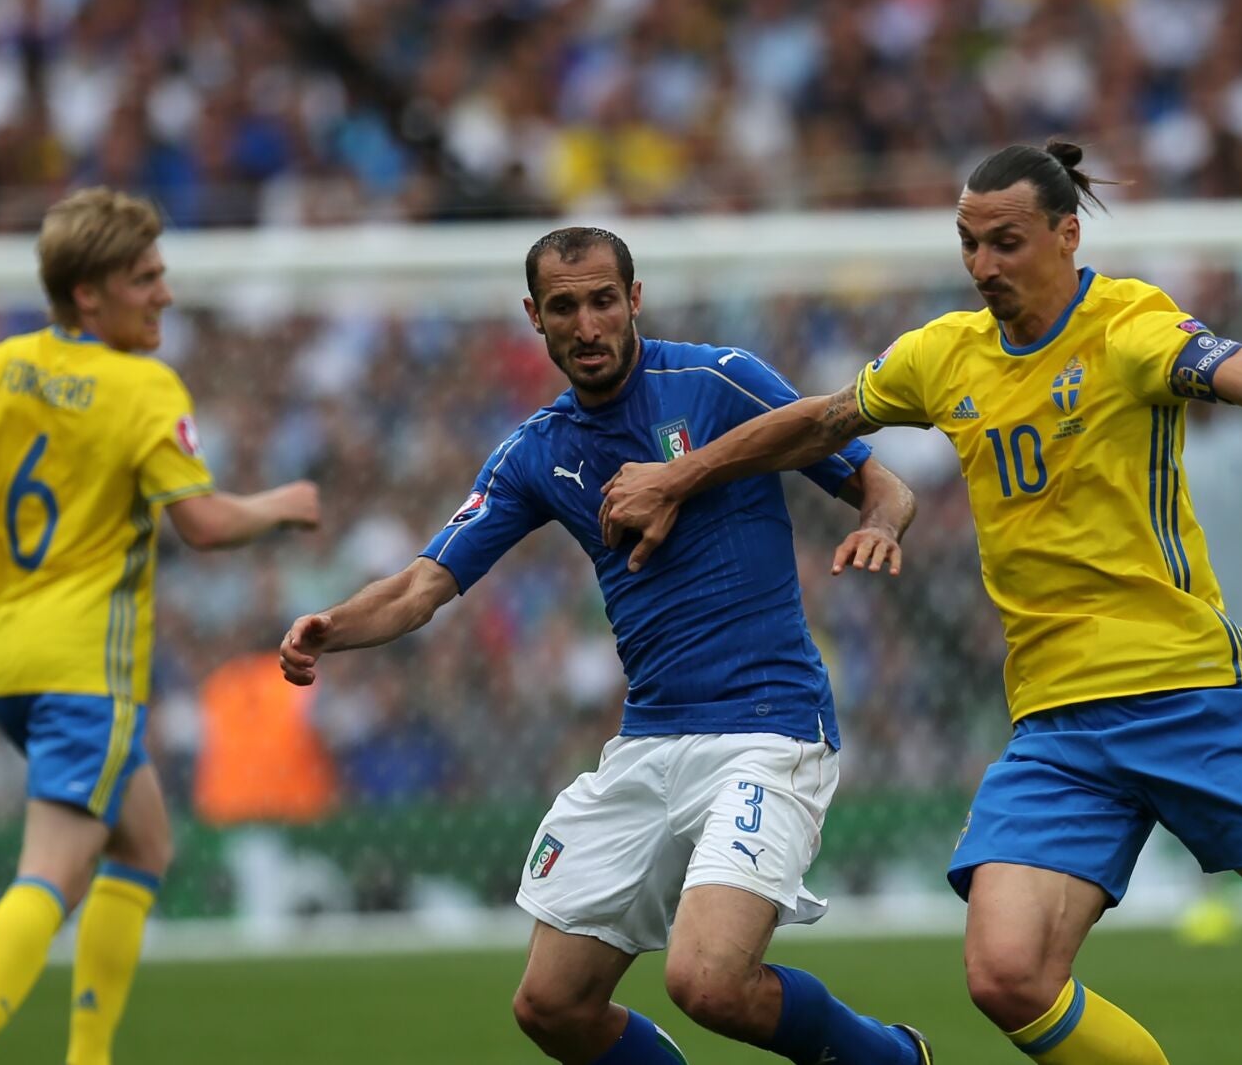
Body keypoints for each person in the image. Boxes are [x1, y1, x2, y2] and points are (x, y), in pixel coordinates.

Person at [600, 143, 1242, 1065]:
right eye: (969, 243)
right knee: (1007, 973)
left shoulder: (1127, 325)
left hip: (1192, 694)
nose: (984, 264)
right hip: (1058, 726)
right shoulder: (942, 355)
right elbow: (819, 419)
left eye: (1006, 241)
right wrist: (684, 474)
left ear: (1067, 234)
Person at [276, 227, 931, 1065]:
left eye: (601, 301)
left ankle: (894, 1059)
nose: (586, 325)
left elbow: (880, 475)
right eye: (563, 307)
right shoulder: (536, 451)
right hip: (650, 742)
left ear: (634, 299)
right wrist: (334, 626)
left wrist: (876, 519)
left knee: (709, 981)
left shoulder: (716, 380)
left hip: (768, 730)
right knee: (552, 1005)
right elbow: (418, 587)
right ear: (534, 318)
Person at [0, 187, 321, 1065]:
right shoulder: (142, 386)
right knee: (52, 870)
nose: (165, 295)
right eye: (145, 279)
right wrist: (280, 504)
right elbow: (203, 526)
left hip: (9, 660)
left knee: (144, 841)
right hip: (88, 668)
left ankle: (88, 1057)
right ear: (89, 293)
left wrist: (21, 520)